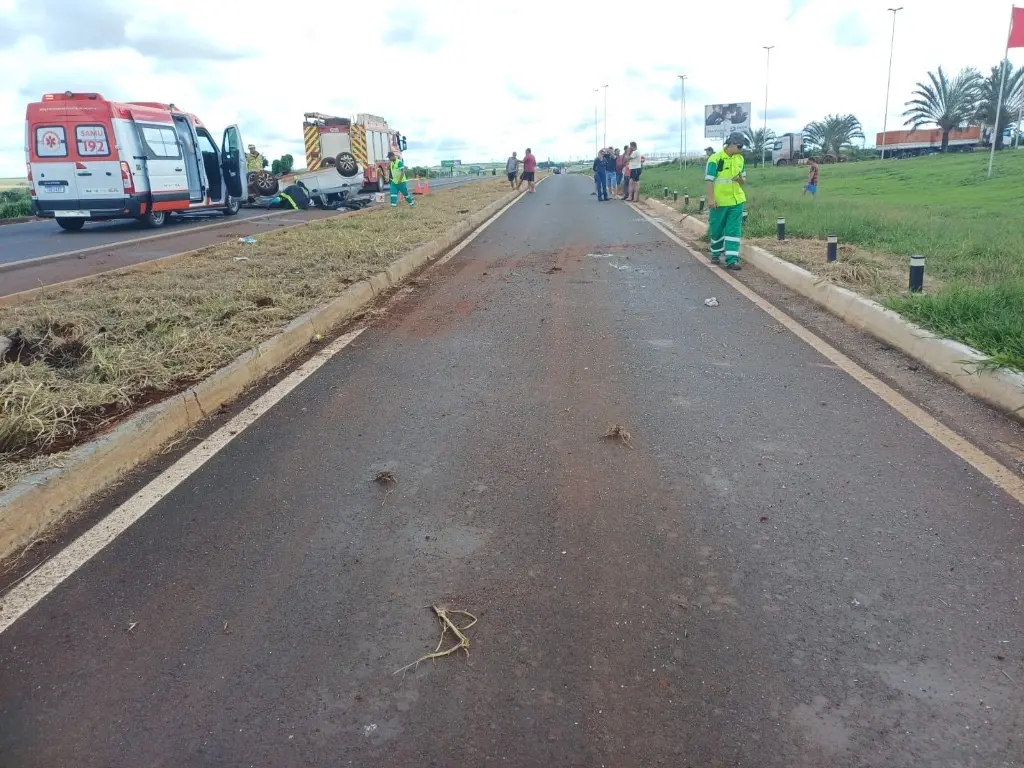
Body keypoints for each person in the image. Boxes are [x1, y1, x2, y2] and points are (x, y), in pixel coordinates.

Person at [705, 132, 747, 270]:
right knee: (716, 229)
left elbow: (743, 181)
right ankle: (716, 253)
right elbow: (709, 181)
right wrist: (711, 199)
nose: (741, 149)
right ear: (731, 144)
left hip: (737, 200)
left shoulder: (740, 159)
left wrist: (740, 179)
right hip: (720, 202)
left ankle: (732, 260)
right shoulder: (715, 159)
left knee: (733, 230)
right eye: (740, 146)